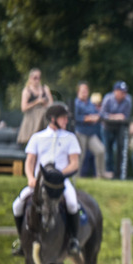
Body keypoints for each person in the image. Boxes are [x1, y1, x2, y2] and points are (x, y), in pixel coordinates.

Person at [10, 103, 82, 256]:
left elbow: (74, 163)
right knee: (17, 205)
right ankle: (22, 241)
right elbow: (29, 161)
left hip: (60, 182)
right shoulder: (37, 137)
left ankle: (73, 239)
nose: (66, 121)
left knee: (72, 203)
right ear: (52, 119)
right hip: (39, 183)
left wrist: (58, 175)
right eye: (63, 118)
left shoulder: (70, 138)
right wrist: (30, 178)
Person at [100, 81, 133, 179]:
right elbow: (102, 115)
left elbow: (125, 117)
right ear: (115, 91)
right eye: (121, 92)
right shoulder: (108, 98)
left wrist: (113, 117)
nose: (124, 94)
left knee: (119, 151)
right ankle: (108, 173)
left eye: (125, 92)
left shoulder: (128, 100)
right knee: (107, 152)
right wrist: (115, 117)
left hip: (119, 129)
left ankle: (119, 175)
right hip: (107, 128)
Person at [73, 82, 106, 178]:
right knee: (80, 156)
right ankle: (76, 177)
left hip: (91, 133)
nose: (84, 92)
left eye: (86, 90)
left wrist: (97, 117)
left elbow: (99, 114)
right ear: (78, 92)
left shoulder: (91, 104)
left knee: (100, 150)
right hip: (80, 132)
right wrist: (87, 118)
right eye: (82, 91)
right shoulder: (76, 103)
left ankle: (101, 175)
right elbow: (75, 117)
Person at [17, 68, 52, 146]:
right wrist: (37, 102)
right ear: (30, 78)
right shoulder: (27, 91)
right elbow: (23, 108)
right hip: (32, 122)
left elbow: (51, 104)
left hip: (43, 121)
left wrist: (45, 103)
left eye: (39, 78)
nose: (37, 80)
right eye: (35, 78)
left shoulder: (45, 89)